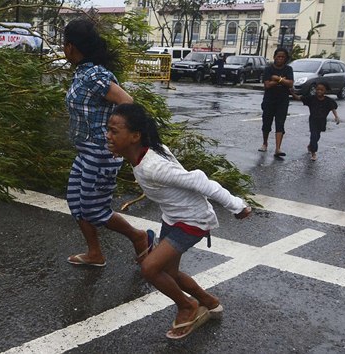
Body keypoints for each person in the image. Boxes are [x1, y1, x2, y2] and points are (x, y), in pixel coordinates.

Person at [105, 103, 252, 339]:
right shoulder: (145, 152)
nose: (108, 135)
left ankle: (187, 306)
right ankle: (209, 302)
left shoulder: (153, 167)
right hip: (174, 217)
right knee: (169, 273)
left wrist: (237, 205)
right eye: (108, 130)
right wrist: (119, 150)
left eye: (114, 131)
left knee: (150, 268)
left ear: (135, 136)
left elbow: (199, 181)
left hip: (192, 221)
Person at [63, 19, 153, 267]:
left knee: (94, 209)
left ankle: (139, 237)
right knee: (76, 202)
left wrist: (117, 138)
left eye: (64, 44)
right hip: (85, 151)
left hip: (101, 152)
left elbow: (127, 102)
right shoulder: (83, 72)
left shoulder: (94, 75)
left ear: (71, 47)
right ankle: (95, 253)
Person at [291, 82, 340, 161]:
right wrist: (292, 93)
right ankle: (313, 153)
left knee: (317, 136)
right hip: (313, 120)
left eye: (321, 90)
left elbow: (333, 108)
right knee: (313, 135)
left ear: (325, 91)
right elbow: (299, 98)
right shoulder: (311, 98)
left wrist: (336, 117)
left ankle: (311, 145)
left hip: (322, 121)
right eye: (318, 89)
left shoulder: (328, 101)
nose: (319, 91)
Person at [260, 48, 294, 158]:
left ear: (285, 59)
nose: (280, 59)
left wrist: (276, 79)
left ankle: (278, 148)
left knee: (280, 124)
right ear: (274, 57)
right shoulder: (268, 69)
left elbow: (290, 84)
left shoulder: (288, 69)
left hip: (282, 101)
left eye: (282, 57)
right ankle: (265, 143)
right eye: (278, 56)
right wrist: (281, 80)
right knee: (266, 123)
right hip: (269, 100)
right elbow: (267, 85)